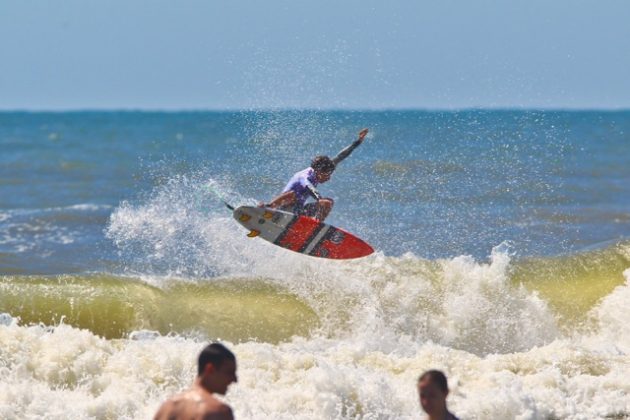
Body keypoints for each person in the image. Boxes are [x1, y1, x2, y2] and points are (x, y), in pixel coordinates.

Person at [261, 128, 369, 221]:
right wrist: (319, 198)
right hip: (283, 209)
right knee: (292, 194)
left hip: (297, 211)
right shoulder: (304, 176)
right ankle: (268, 208)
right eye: (326, 175)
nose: (328, 178)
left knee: (328, 203)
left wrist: (358, 141)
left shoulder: (325, 166)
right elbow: (308, 186)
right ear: (318, 172)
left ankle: (315, 226)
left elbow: (341, 155)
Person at [154, 342, 238, 420]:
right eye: (229, 372)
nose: (234, 379)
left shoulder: (167, 408)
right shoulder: (219, 412)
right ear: (210, 369)